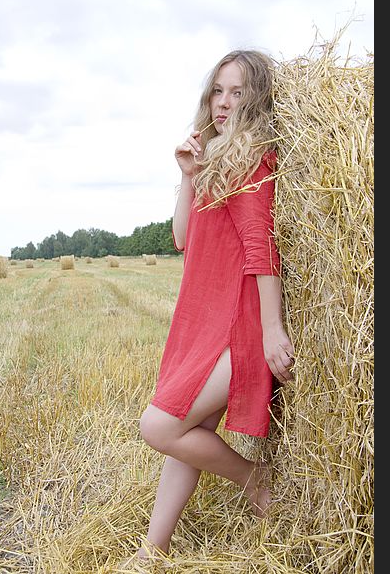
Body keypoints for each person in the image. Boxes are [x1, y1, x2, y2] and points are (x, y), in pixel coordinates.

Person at [120, 49, 294, 568]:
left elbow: (262, 245)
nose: (223, 102)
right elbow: (182, 238)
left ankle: (255, 482)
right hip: (202, 317)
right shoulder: (214, 158)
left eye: (238, 92)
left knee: (160, 427)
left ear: (256, 97)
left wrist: (271, 329)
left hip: (235, 321)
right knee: (185, 436)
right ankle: (155, 551)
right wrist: (189, 175)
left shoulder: (253, 159)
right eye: (218, 90)